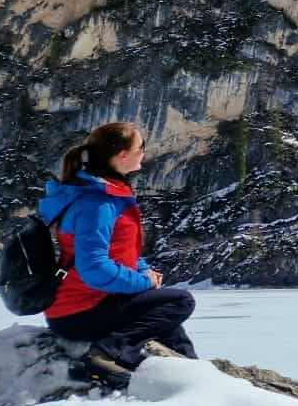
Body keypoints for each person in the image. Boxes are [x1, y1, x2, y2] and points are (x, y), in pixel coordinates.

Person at [38, 122, 199, 384]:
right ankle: (105, 353)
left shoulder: (105, 195)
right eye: (141, 147)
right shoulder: (97, 202)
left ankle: (193, 376)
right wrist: (144, 281)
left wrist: (143, 269)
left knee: (167, 318)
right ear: (123, 155)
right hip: (79, 311)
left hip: (94, 302)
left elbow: (120, 251)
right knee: (180, 302)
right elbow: (95, 268)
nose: (145, 152)